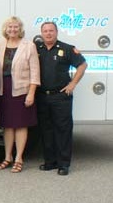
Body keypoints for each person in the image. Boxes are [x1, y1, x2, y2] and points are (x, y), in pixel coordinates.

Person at [36, 21, 87, 176]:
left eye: (51, 30)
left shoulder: (67, 48)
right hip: (42, 96)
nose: (48, 33)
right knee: (46, 130)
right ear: (42, 33)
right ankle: (50, 162)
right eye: (45, 31)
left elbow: (82, 65)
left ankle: (64, 164)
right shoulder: (37, 49)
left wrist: (72, 84)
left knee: (63, 130)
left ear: (56, 32)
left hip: (61, 97)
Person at [0, 16, 40, 173]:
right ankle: (7, 157)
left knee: (20, 125)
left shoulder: (29, 46)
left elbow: (35, 72)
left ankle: (19, 158)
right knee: (7, 125)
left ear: (20, 29)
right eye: (9, 27)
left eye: (15, 27)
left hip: (21, 90)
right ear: (5, 29)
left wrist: (31, 93)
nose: (12, 30)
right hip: (3, 90)